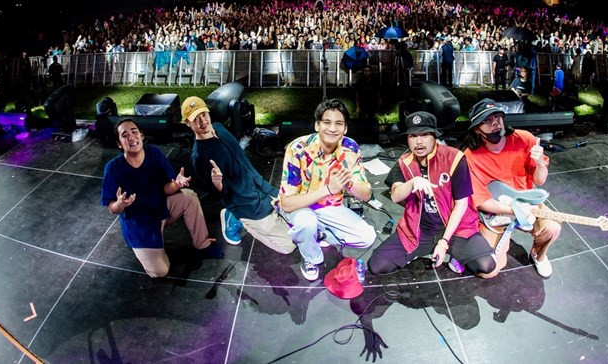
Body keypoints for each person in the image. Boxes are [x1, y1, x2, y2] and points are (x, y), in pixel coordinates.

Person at [183, 96, 311, 268]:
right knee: (289, 246)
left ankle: (253, 217)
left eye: (203, 114)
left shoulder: (219, 128)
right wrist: (217, 183)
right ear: (187, 123)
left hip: (262, 187)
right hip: (246, 205)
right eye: (195, 119)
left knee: (303, 215)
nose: (202, 121)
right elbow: (216, 193)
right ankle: (236, 218)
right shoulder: (199, 156)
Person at [368, 111, 497, 277]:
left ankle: (456, 255)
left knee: (486, 265)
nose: (419, 141)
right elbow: (395, 195)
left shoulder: (454, 158)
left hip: (456, 229)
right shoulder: (405, 162)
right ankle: (421, 250)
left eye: (425, 135)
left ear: (435, 136)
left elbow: (461, 204)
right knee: (377, 265)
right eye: (413, 136)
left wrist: (444, 242)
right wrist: (412, 182)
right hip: (420, 230)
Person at [101, 118, 222, 278]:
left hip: (161, 209)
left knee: (189, 197)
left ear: (141, 136)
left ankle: (202, 244)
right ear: (119, 144)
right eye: (125, 135)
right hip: (140, 225)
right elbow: (111, 208)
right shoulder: (113, 168)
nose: (131, 137)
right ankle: (150, 248)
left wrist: (176, 185)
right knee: (160, 272)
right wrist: (120, 204)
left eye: (134, 132)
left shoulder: (154, 154)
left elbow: (167, 187)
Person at [278, 99, 376, 281]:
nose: (332, 129)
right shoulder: (298, 148)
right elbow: (287, 204)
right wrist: (328, 189)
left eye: (339, 123)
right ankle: (310, 257)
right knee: (306, 222)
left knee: (367, 237)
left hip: (330, 206)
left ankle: (318, 233)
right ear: (317, 125)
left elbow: (366, 194)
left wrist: (348, 183)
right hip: (300, 206)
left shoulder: (350, 147)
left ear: (345, 128)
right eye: (326, 122)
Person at [463, 98, 561, 278]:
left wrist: (540, 163)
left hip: (527, 203)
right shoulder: (470, 156)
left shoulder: (524, 138)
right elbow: (482, 201)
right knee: (487, 272)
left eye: (497, 117)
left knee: (552, 227)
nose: (495, 123)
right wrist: (512, 210)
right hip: (496, 212)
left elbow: (539, 181)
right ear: (476, 129)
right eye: (487, 120)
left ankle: (538, 255)